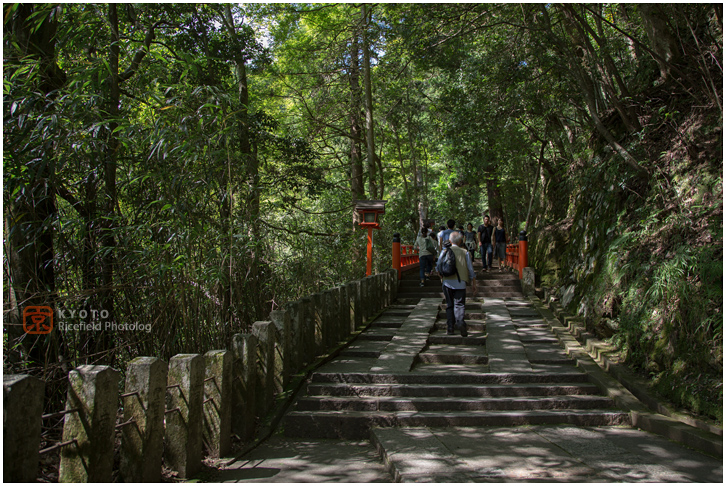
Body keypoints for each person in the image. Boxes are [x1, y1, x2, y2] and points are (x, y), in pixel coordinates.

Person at [437, 231, 477, 336]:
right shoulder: (465, 252)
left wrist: (442, 278)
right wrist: (473, 283)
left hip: (447, 283)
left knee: (449, 305)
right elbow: (470, 270)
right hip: (461, 282)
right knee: (459, 304)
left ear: (450, 241)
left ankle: (450, 328)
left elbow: (438, 267)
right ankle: (460, 322)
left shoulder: (444, 251)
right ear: (460, 241)